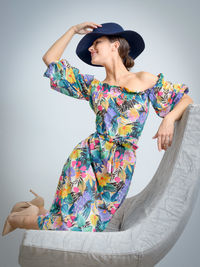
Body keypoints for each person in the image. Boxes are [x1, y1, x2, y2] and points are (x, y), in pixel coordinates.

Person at [2, 22, 193, 236]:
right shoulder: (94, 88)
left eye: (96, 43)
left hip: (120, 165)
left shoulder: (144, 79)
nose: (91, 49)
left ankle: (33, 210)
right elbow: (50, 60)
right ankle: (17, 219)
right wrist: (72, 30)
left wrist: (168, 119)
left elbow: (184, 99)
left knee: (88, 225)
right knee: (74, 225)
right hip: (87, 157)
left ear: (115, 45)